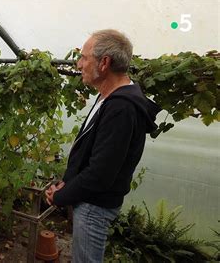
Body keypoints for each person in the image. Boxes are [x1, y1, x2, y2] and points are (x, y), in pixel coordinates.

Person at [45, 29, 161, 262]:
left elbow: (100, 174)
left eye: (84, 57)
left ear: (104, 62)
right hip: (89, 199)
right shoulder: (108, 97)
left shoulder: (121, 108)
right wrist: (66, 184)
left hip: (93, 206)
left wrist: (60, 196)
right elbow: (92, 153)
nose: (78, 65)